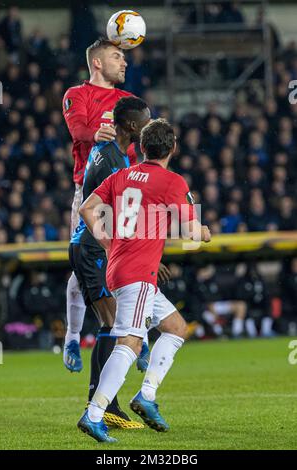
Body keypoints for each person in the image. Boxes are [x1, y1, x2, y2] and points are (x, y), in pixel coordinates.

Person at [77, 118, 211, 443]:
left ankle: (146, 396)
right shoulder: (172, 181)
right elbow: (192, 232)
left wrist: (107, 243)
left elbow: (86, 208)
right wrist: (204, 231)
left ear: (140, 147)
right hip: (138, 273)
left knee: (177, 328)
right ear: (173, 148)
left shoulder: (121, 176)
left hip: (123, 269)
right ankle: (94, 414)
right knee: (130, 341)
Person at [62, 38, 147, 428]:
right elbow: (79, 129)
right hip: (93, 191)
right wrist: (97, 133)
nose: (124, 61)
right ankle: (74, 338)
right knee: (92, 279)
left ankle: (132, 342)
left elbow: (147, 141)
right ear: (97, 61)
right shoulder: (77, 94)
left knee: (123, 285)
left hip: (122, 192)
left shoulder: (128, 100)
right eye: (117, 55)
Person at [70, 96, 163, 429]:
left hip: (94, 246)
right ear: (133, 126)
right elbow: (103, 212)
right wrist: (119, 250)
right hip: (94, 247)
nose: (151, 125)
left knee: (110, 324)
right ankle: (105, 406)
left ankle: (104, 403)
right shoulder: (111, 158)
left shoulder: (118, 154)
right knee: (112, 323)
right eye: (147, 120)